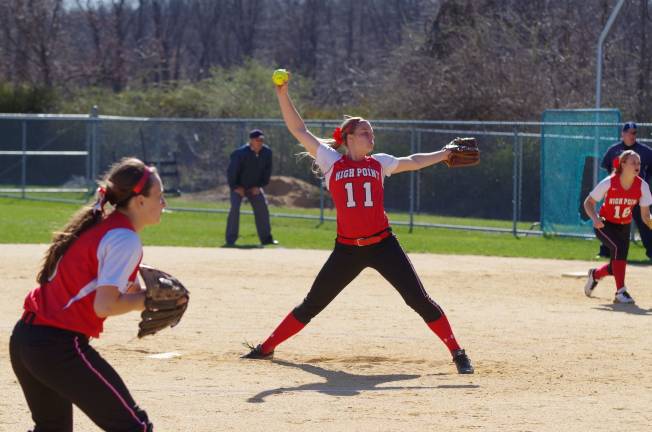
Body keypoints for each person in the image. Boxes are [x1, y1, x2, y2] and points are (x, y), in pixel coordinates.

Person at [241, 73, 474, 374]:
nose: (370, 136)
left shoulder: (379, 162)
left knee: (419, 300)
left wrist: (445, 154)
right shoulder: (331, 161)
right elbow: (299, 129)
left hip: (383, 245)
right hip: (347, 251)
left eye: (371, 132)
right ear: (348, 138)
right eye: (364, 132)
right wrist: (282, 93)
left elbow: (414, 160)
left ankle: (458, 353)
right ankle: (266, 348)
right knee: (311, 304)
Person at [9, 158, 167, 431]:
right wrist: (146, 300)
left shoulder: (103, 225)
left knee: (52, 428)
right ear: (139, 201)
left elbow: (113, 288)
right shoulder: (124, 238)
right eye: (159, 196)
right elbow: (104, 305)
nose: (164, 203)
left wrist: (147, 294)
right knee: (133, 427)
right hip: (57, 347)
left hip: (25, 339)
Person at [583, 150, 652, 304]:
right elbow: (588, 203)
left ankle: (595, 275)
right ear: (623, 164)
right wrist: (595, 219)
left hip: (624, 226)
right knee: (619, 252)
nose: (637, 165)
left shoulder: (643, 186)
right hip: (604, 224)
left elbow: (646, 216)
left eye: (639, 163)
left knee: (617, 264)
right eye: (633, 162)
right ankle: (621, 292)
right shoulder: (609, 182)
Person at [597, 122, 652, 260]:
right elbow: (607, 168)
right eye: (630, 132)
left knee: (644, 222)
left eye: (635, 133)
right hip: (618, 194)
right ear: (623, 134)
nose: (633, 135)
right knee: (611, 221)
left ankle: (651, 252)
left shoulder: (645, 151)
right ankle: (605, 251)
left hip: (637, 194)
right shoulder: (614, 150)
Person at [225, 128, 277, 246]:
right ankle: (230, 240)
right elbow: (231, 172)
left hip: (254, 187)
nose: (260, 142)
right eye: (257, 140)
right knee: (234, 209)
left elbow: (267, 172)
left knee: (262, 209)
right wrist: (236, 187)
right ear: (251, 141)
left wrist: (259, 186)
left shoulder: (267, 152)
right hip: (238, 187)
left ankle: (266, 239)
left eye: (262, 140)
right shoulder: (240, 153)